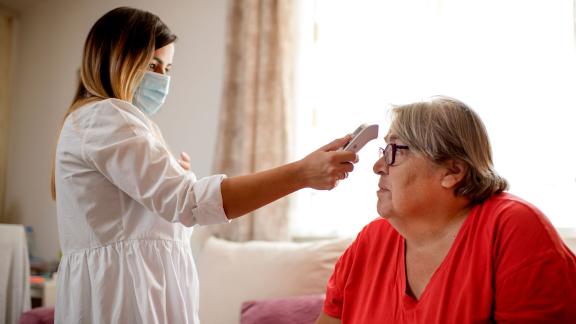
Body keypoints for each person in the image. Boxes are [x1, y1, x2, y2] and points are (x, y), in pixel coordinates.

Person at [51, 7, 357, 323]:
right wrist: (302, 173)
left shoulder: (106, 123)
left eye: (167, 68)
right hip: (123, 300)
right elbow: (190, 204)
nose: (162, 78)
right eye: (152, 65)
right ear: (114, 59)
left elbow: (163, 217)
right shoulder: (105, 117)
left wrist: (174, 177)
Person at [316, 97, 576, 323]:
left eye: (394, 151)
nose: (378, 166)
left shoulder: (512, 228)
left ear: (452, 172)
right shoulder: (370, 242)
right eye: (384, 150)